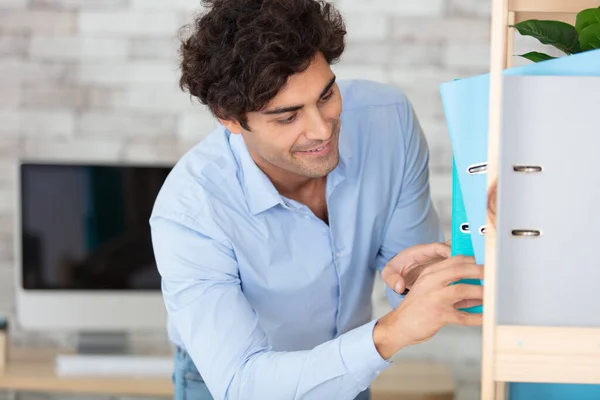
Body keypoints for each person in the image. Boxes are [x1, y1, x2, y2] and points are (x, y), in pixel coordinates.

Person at [149, 0, 483, 399]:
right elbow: (241, 382)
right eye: (287, 117)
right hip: (235, 380)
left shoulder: (387, 121)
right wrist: (390, 334)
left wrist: (417, 281)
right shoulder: (190, 209)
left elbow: (405, 270)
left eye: (326, 96)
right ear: (229, 119)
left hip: (348, 366)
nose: (322, 130)